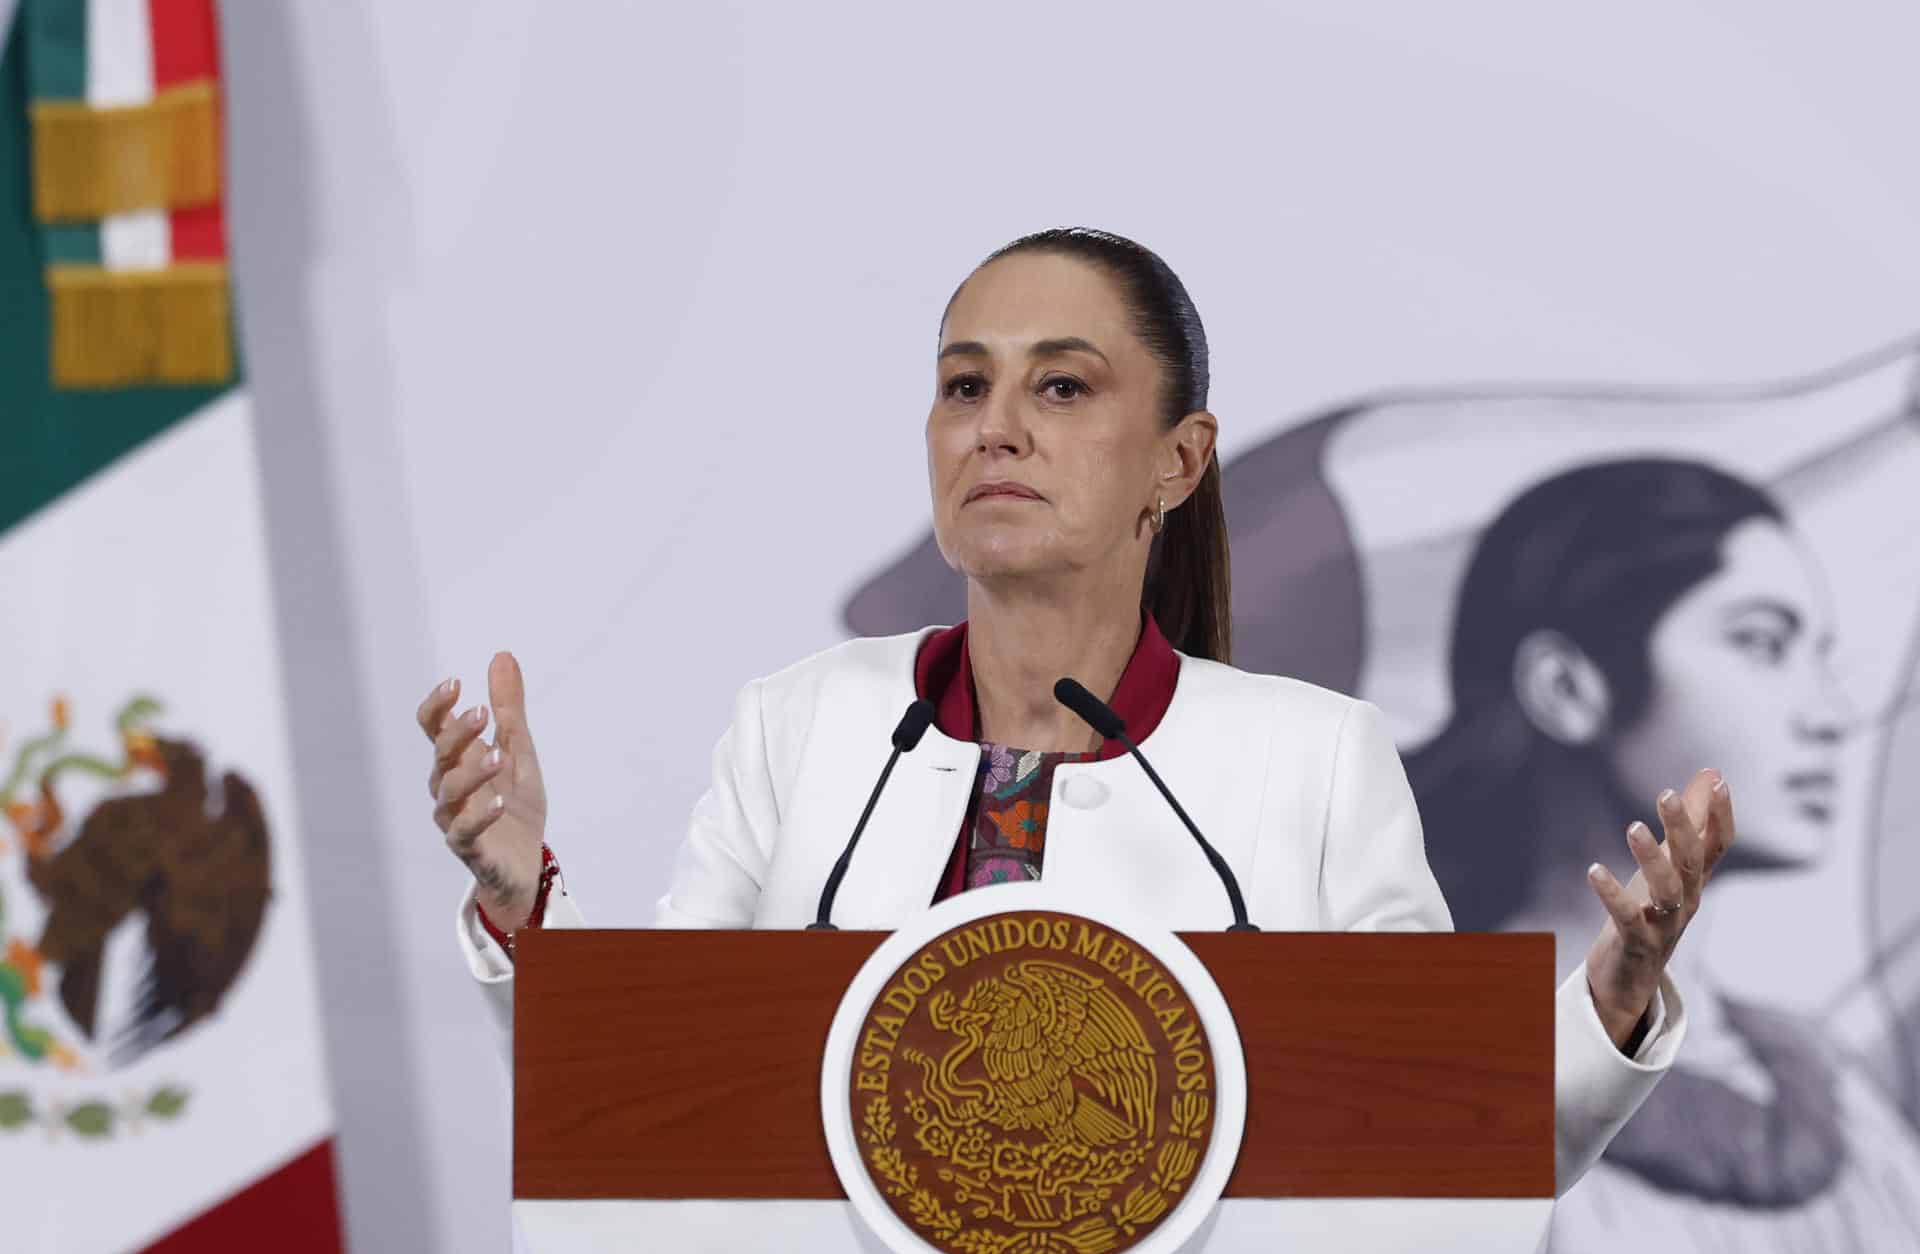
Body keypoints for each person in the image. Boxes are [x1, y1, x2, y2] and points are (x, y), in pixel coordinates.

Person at [415, 228, 1731, 1196]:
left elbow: (1454, 1141)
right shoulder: (804, 728)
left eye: (1060, 387)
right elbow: (648, 1095)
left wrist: (1614, 995)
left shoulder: (1313, 762)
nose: (996, 428)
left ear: (1180, 458)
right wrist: (523, 892)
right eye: (963, 384)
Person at [1406, 459, 1920, 1254]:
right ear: (1569, 687)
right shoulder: (1406, 1065)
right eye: (1761, 642)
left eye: (1819, 655)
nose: (1831, 715)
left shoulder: (1838, 1095)